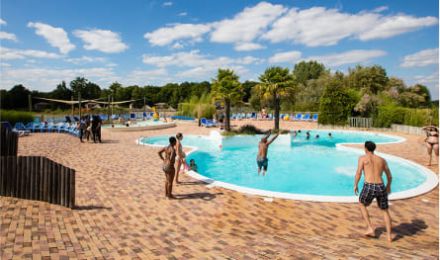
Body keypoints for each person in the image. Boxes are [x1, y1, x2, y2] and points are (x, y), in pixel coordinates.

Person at [354, 141, 393, 243]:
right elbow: (389, 176)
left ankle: (370, 228)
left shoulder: (362, 158)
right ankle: (389, 236)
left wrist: (355, 185)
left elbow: (358, 173)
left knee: (362, 204)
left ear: (366, 148)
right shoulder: (382, 160)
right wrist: (388, 186)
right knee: (385, 211)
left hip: (369, 186)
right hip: (381, 186)